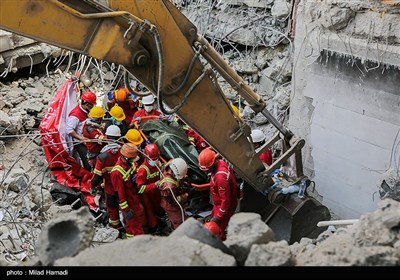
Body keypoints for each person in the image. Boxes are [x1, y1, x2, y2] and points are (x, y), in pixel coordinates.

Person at [198, 148, 239, 240]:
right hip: (219, 203)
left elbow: (226, 200)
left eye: (207, 169)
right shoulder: (221, 163)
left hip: (223, 206)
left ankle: (221, 241)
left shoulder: (220, 178)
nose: (205, 171)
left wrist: (219, 216)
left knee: (217, 229)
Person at [90, 125, 123, 234]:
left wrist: (92, 186)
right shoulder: (124, 152)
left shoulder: (103, 157)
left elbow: (97, 177)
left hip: (110, 189)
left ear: (107, 137)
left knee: (112, 209)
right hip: (124, 187)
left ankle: (116, 228)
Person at [110, 143, 147, 238]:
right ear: (126, 158)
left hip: (135, 197)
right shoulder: (116, 173)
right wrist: (126, 210)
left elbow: (135, 172)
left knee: (135, 223)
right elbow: (120, 194)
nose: (133, 161)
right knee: (134, 226)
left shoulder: (131, 163)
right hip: (129, 203)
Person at [136, 143, 164, 233]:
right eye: (153, 159)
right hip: (147, 197)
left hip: (157, 194)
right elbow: (139, 189)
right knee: (150, 213)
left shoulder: (158, 164)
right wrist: (154, 185)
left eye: (156, 159)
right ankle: (154, 229)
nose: (155, 161)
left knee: (159, 209)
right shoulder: (143, 170)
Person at [66, 91, 97, 171]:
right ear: (87, 104)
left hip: (85, 138)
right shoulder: (75, 115)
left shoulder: (85, 111)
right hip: (79, 142)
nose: (93, 107)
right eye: (92, 105)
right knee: (88, 162)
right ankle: (86, 175)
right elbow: (69, 130)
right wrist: (81, 138)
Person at [159, 158, 190, 230]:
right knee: (178, 221)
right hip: (171, 207)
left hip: (169, 198)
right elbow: (173, 201)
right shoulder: (169, 187)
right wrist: (184, 197)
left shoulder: (171, 164)